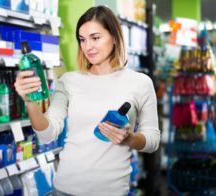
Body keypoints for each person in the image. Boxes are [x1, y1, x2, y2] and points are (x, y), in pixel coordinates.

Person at [14, 5, 160, 196]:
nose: (87, 47)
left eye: (95, 38)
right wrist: (30, 102)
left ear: (114, 37)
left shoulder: (140, 83)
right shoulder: (69, 81)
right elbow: (47, 134)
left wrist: (129, 138)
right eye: (82, 40)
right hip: (66, 188)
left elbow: (152, 140)